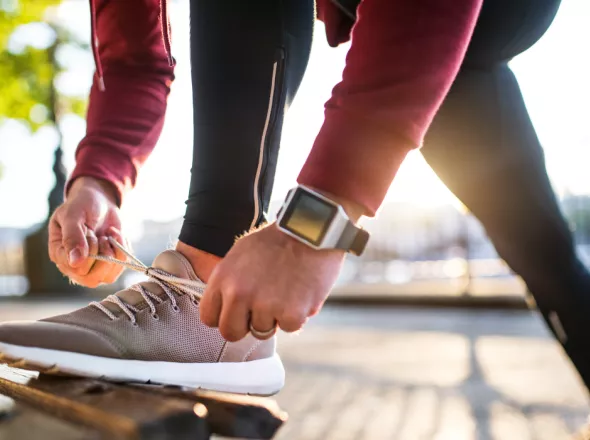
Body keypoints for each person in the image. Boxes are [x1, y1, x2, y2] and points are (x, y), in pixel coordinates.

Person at [2, 0, 588, 397]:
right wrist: (97, 181)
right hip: (433, 51)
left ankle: (201, 280)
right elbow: (131, 56)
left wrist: (317, 222)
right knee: (547, 259)